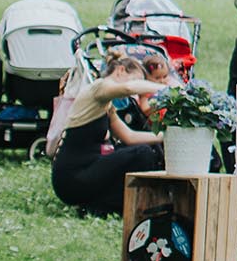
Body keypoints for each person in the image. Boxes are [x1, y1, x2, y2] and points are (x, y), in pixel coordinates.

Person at [50, 52, 165, 216]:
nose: (134, 91)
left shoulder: (106, 104)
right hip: (71, 178)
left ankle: (100, 205)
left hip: (86, 170)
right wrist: (166, 89)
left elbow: (129, 137)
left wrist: (164, 137)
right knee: (142, 154)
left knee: (141, 151)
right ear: (120, 71)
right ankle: (107, 207)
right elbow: (128, 88)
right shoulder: (99, 87)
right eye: (135, 80)